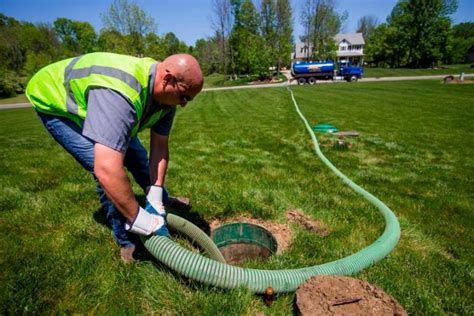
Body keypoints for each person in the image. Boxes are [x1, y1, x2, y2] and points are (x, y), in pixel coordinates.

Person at [26, 52, 203, 262]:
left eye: (189, 99)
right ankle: (127, 241)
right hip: (59, 106)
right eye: (184, 97)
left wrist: (155, 195)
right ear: (167, 80)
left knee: (137, 156)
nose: (184, 104)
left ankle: (162, 202)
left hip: (105, 103)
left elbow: (160, 148)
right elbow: (107, 170)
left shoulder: (167, 100)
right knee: (104, 170)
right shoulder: (121, 93)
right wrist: (140, 220)